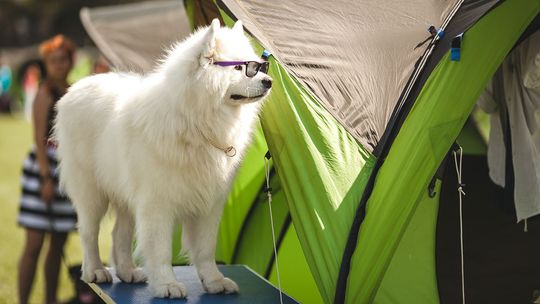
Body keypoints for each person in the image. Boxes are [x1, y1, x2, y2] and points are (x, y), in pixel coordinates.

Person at [17, 35, 78, 304]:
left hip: (67, 171)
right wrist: (45, 178)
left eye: (62, 60)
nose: (58, 65)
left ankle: (50, 300)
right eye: (52, 61)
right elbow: (39, 139)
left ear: (70, 61)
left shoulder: (74, 92)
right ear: (46, 64)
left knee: (58, 244)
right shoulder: (44, 93)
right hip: (43, 171)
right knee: (33, 245)